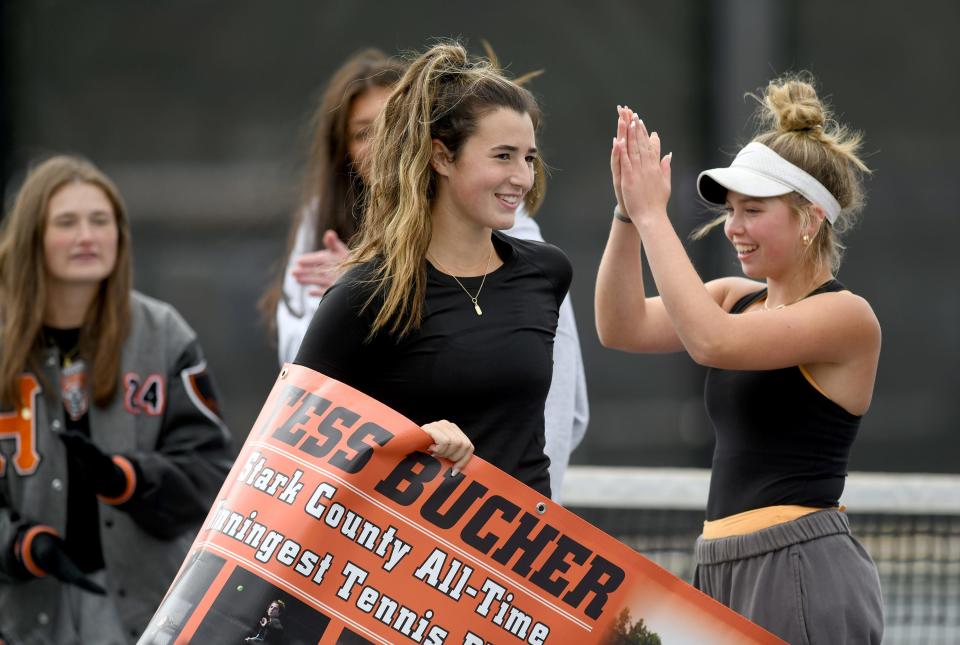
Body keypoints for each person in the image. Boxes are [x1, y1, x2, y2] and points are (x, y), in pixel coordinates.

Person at [595, 76, 883, 643]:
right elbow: (619, 325)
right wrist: (628, 213)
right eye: (731, 210)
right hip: (719, 564)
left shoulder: (847, 317)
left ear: (810, 218)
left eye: (753, 210)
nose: (734, 227)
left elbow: (714, 344)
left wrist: (656, 216)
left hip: (800, 563)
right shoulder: (734, 297)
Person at [270, 47, 588, 499]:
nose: (522, 177)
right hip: (412, 561)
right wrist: (407, 440)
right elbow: (289, 441)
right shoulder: (365, 292)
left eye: (529, 158)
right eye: (503, 156)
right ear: (441, 157)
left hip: (522, 559)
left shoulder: (547, 271)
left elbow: (555, 422)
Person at [0, 155, 233, 644]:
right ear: (31, 238)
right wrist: (20, 545)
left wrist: (129, 479)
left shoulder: (163, 333)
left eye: (100, 221)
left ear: (119, 236)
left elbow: (212, 474)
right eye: (66, 222)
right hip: (25, 610)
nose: (87, 235)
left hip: (147, 611)